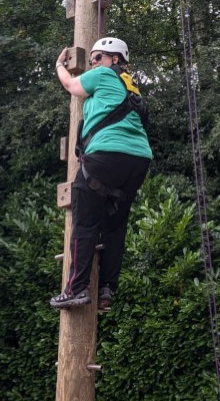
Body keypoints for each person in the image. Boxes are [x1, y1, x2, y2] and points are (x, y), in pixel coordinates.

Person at [51, 36, 152, 313]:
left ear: (114, 59)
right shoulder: (132, 88)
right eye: (92, 59)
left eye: (97, 57)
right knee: (114, 226)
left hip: (106, 155)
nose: (93, 63)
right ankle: (106, 289)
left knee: (84, 223)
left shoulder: (104, 75)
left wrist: (59, 65)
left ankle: (76, 289)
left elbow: (71, 86)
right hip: (138, 161)